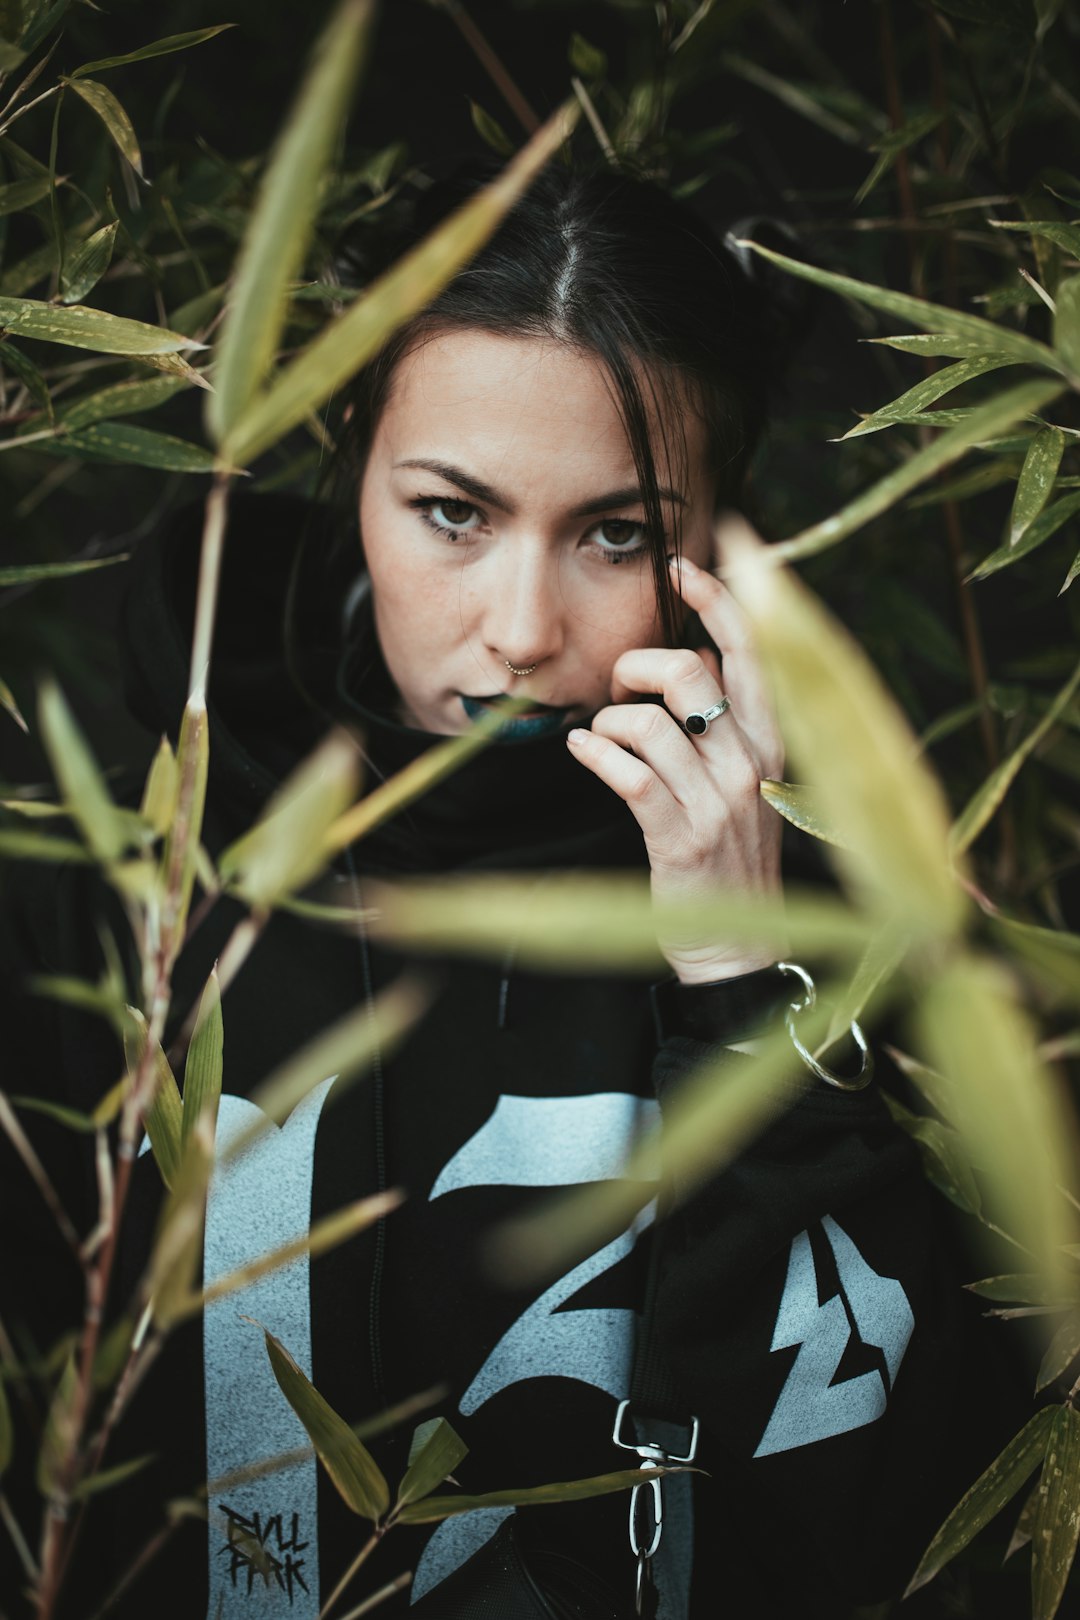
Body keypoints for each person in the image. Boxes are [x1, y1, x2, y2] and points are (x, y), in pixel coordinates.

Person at [1, 163, 1016, 1620]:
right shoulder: (112, 852)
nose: (526, 631)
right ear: (353, 462)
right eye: (452, 514)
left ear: (718, 543)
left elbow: (895, 1524)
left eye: (617, 533)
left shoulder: (838, 905)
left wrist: (742, 976)